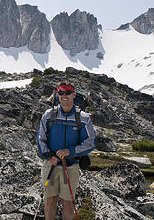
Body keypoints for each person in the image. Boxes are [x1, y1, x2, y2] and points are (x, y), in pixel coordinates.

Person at [37, 82, 96, 220]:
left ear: (74, 94)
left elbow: (90, 142)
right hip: (50, 165)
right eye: (61, 93)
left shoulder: (83, 118)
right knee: (50, 200)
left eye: (68, 92)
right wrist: (48, 156)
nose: (64, 96)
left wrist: (71, 151)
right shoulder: (49, 115)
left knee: (67, 202)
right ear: (57, 95)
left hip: (70, 167)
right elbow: (40, 139)